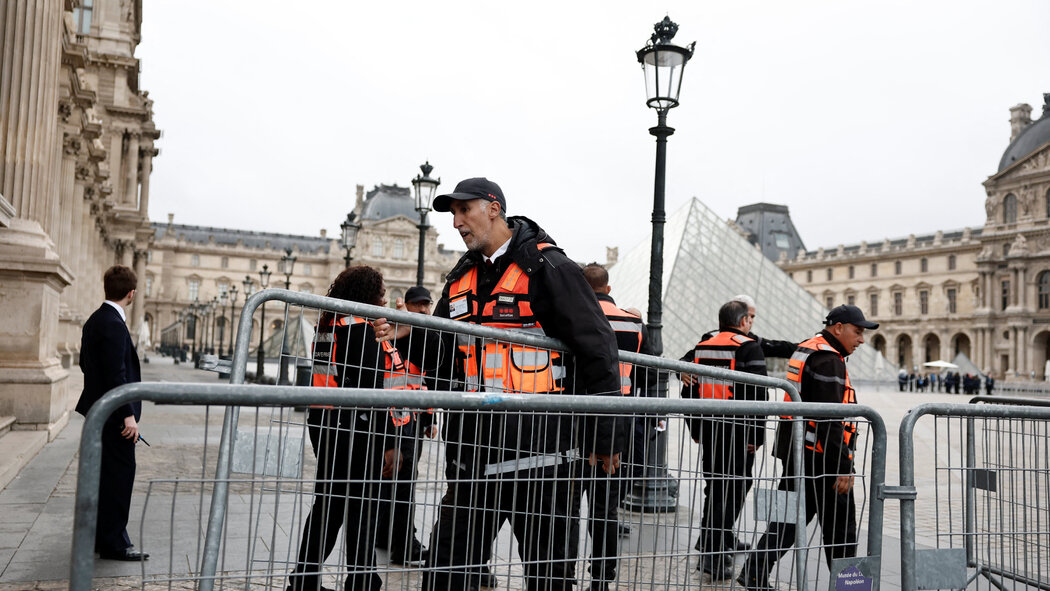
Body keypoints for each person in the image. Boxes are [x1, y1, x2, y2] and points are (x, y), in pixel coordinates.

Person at [421, 178, 622, 591]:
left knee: (549, 579)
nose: (456, 222)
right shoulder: (459, 280)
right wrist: (403, 338)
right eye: (453, 214)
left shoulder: (551, 267)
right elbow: (441, 359)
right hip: (472, 460)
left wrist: (607, 438)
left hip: (543, 463)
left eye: (465, 210)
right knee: (443, 571)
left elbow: (598, 349)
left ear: (494, 208)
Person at [288, 265, 414, 591]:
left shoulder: (329, 323)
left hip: (326, 424)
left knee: (328, 507)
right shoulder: (360, 328)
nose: (385, 298)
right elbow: (371, 391)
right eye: (381, 293)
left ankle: (304, 579)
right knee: (362, 507)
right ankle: (362, 581)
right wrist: (390, 442)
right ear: (366, 293)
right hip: (359, 431)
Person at [738, 304, 875, 590]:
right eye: (858, 332)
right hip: (823, 458)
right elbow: (830, 419)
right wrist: (844, 467)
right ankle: (851, 587)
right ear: (838, 328)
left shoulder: (809, 347)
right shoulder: (828, 359)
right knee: (841, 532)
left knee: (786, 521)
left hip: (798, 452)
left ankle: (753, 571)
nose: (861, 340)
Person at [570, 262, 652, 591]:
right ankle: (602, 578)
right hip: (620, 420)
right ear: (608, 286)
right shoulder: (634, 323)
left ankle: (561, 570)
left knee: (570, 504)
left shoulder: (573, 318)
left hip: (577, 419)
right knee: (606, 508)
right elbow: (648, 374)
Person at [684, 300, 767, 581]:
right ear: (743, 320)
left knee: (716, 488)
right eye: (750, 319)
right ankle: (716, 555)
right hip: (737, 432)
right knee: (735, 488)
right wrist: (756, 436)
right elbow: (757, 396)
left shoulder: (703, 346)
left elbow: (690, 391)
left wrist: (694, 428)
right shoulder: (747, 347)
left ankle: (708, 545)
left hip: (709, 430)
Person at [76, 265, 149, 561]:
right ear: (131, 294)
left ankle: (103, 536)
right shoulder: (114, 325)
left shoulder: (95, 320)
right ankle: (115, 543)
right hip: (114, 417)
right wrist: (127, 415)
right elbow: (116, 374)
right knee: (120, 477)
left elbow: (85, 364)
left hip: (101, 411)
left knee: (105, 477)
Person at [374, 285, 440, 566]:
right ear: (408, 306)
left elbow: (424, 378)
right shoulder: (396, 333)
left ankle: (389, 535)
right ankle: (404, 543)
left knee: (399, 482)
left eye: (427, 305)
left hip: (412, 415)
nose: (424, 310)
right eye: (419, 305)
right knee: (401, 484)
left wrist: (428, 419)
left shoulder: (419, 333)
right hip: (396, 419)